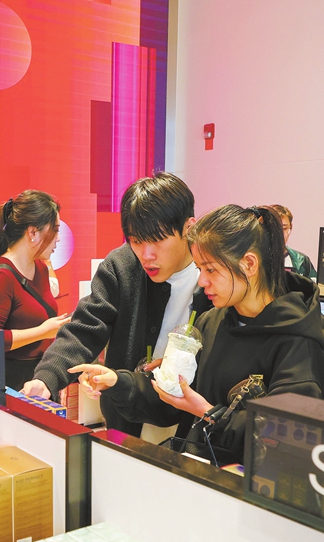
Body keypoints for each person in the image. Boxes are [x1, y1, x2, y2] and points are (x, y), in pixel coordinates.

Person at [69, 205, 324, 464]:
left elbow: (288, 441)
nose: (203, 281)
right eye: (200, 269)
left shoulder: (299, 344)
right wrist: (117, 380)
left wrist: (207, 413)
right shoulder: (211, 322)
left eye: (211, 270)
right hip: (198, 476)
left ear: (249, 264)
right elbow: (172, 395)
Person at [22, 173, 213, 436]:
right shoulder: (122, 266)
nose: (147, 255)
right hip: (127, 418)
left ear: (188, 228)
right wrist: (46, 379)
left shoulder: (212, 276)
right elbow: (85, 329)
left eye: (157, 240)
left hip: (190, 426)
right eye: (136, 241)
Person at [0, 190, 72, 389]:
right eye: (54, 230)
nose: (58, 239)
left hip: (40, 376)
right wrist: (42, 331)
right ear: (33, 233)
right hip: (11, 382)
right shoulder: (2, 276)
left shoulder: (41, 268)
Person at [264, 204, 316, 280]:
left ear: (290, 228)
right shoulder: (254, 260)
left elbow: (314, 289)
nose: (279, 233)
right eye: (274, 228)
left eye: (284, 228)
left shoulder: (301, 261)